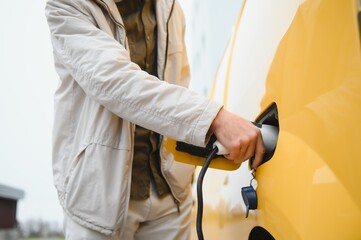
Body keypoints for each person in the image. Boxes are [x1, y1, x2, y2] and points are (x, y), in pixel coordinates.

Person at [45, 0, 265, 239]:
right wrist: (213, 118)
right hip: (99, 200)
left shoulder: (170, 7)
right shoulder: (66, 5)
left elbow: (180, 82)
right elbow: (114, 81)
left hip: (170, 194)